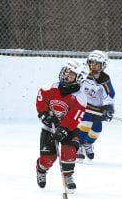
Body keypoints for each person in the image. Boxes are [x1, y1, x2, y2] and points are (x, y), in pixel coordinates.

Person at [35, 60, 89, 192]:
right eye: (66, 71)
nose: (66, 75)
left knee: (69, 152)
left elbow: (73, 118)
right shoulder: (50, 87)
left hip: (69, 129)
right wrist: (44, 115)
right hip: (49, 127)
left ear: (79, 78)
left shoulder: (80, 97)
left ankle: (68, 175)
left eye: (71, 74)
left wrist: (63, 129)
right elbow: (40, 101)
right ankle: (41, 169)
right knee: (48, 159)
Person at [76, 50, 115, 163]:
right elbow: (75, 87)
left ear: (103, 66)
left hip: (97, 109)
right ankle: (78, 146)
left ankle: (88, 144)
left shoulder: (105, 80)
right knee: (85, 124)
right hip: (84, 106)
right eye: (92, 63)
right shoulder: (83, 74)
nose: (93, 66)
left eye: (97, 64)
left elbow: (110, 94)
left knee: (97, 130)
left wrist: (109, 108)